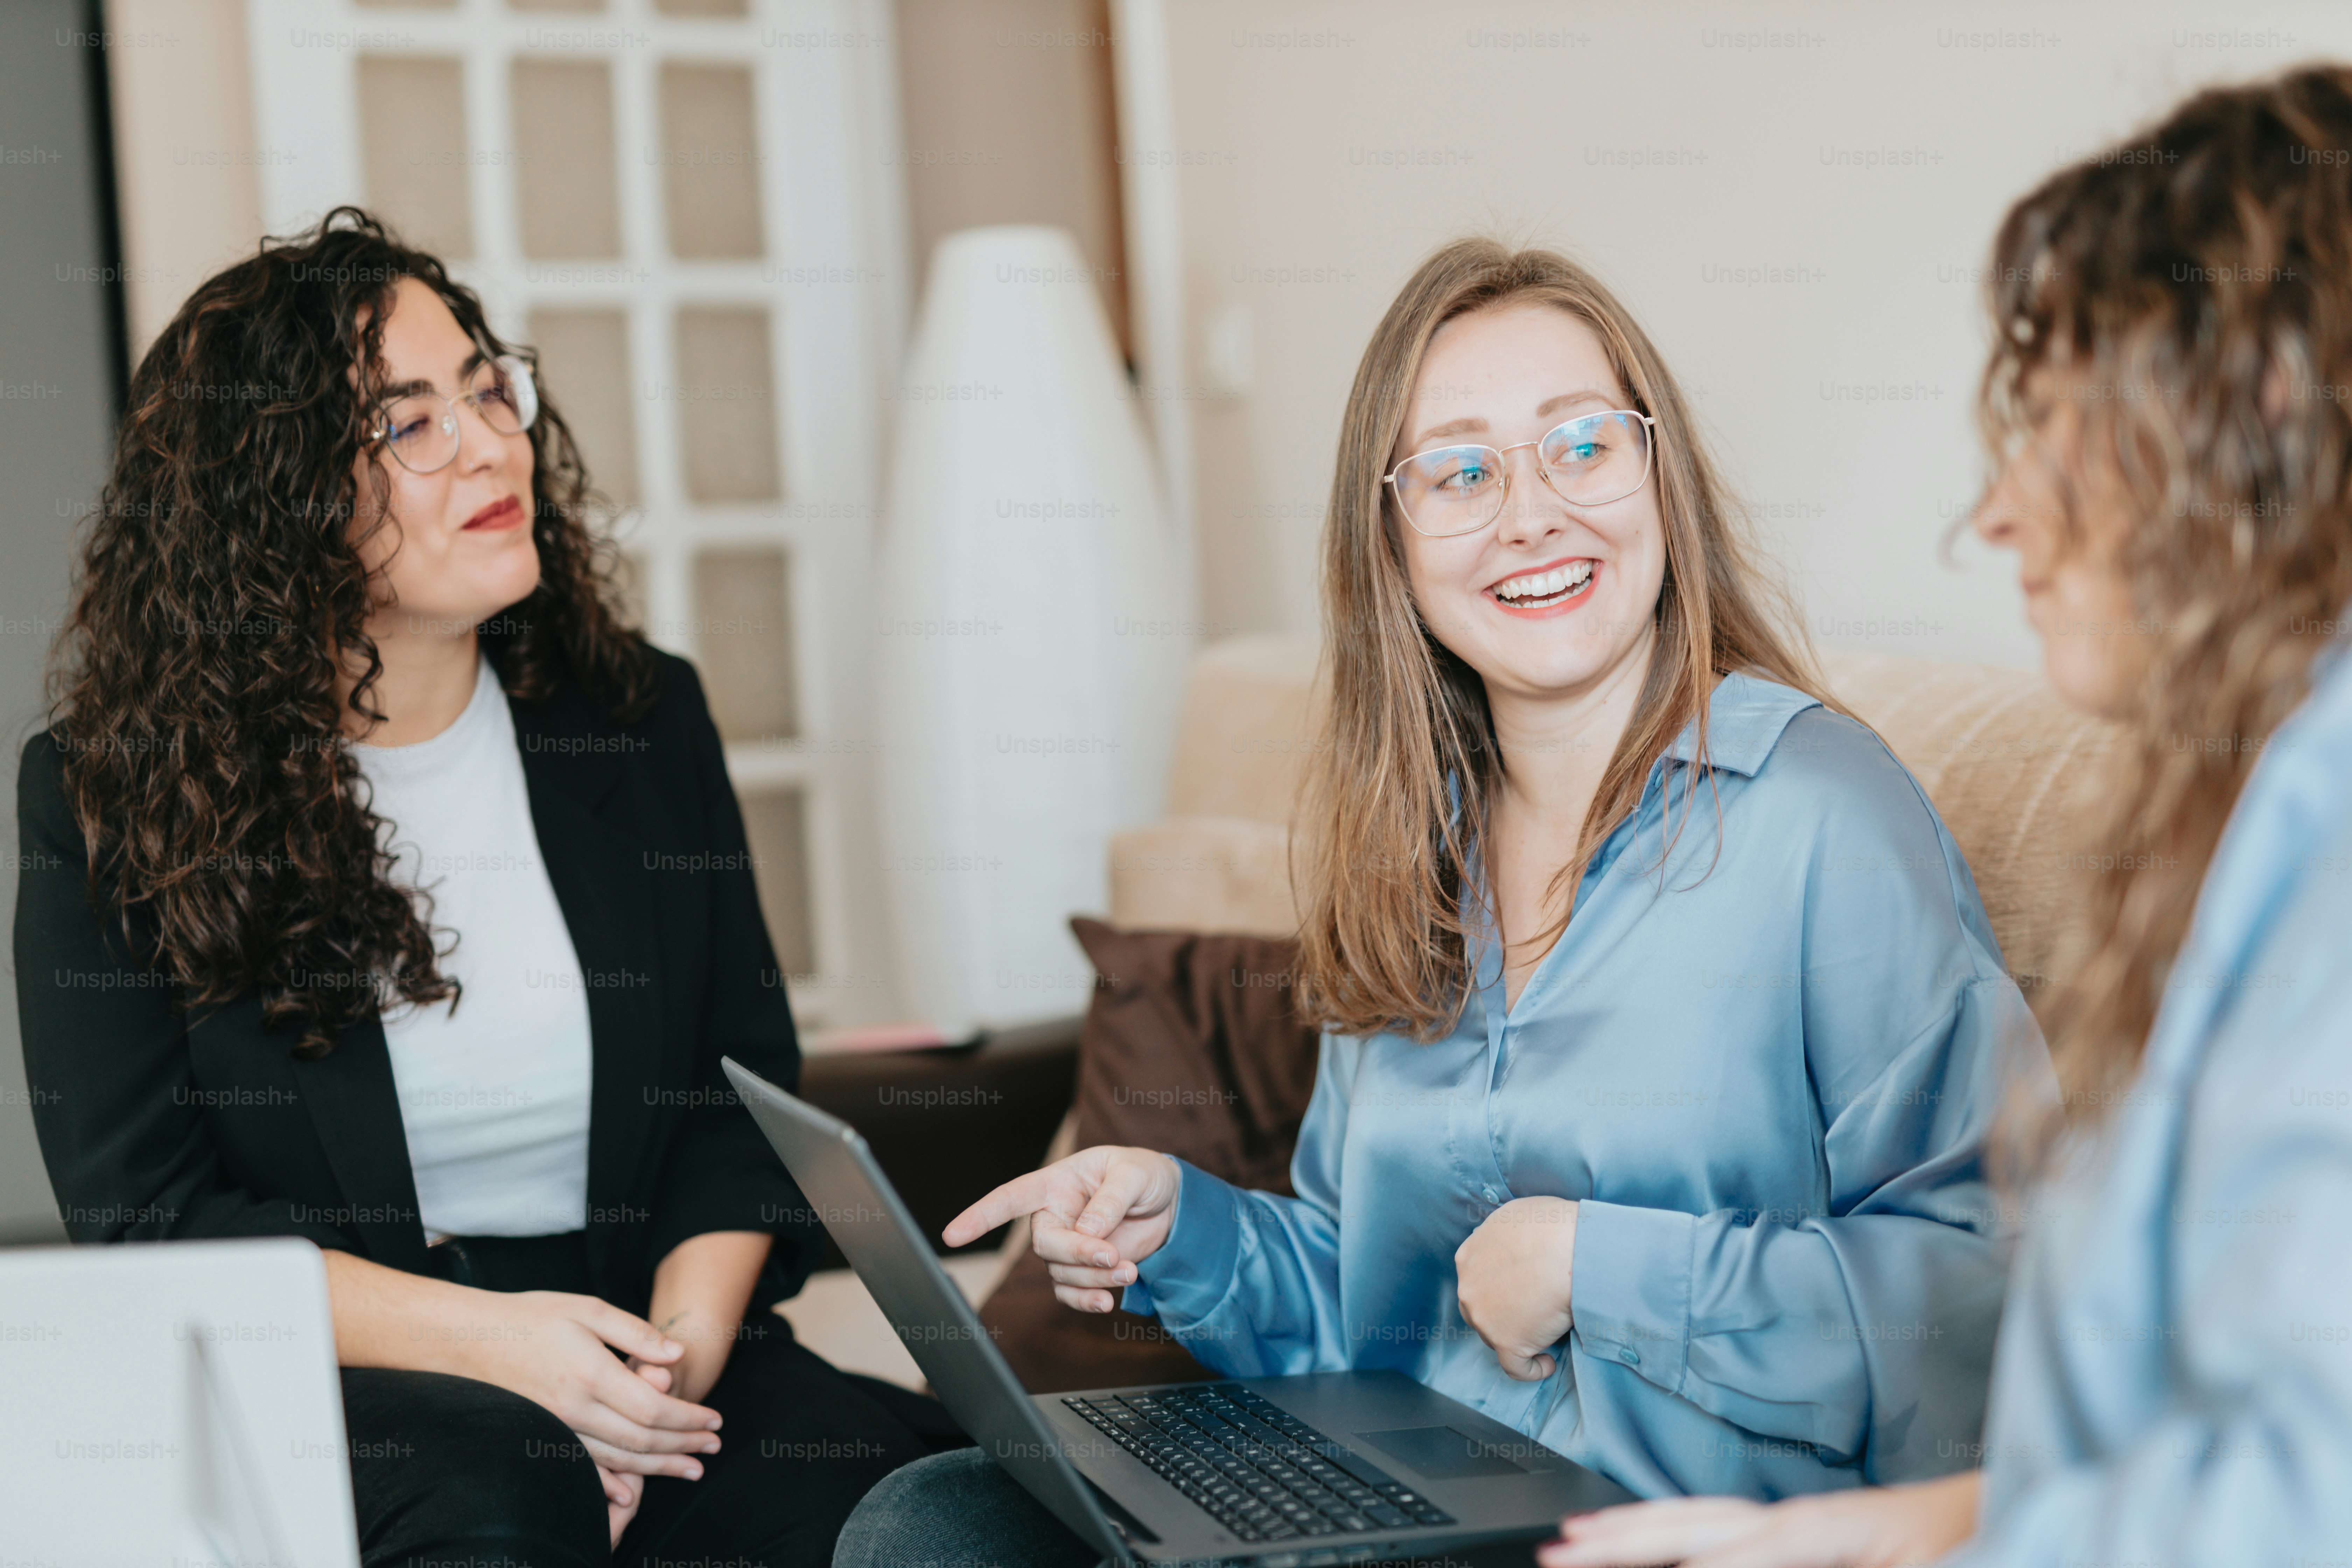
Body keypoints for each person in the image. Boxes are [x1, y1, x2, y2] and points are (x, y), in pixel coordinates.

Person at [830, 237, 2051, 1566]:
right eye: (1463, 474)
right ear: (1393, 547)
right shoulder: (1415, 847)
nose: (1532, 515)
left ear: (1661, 473)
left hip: (1669, 1538)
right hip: (1399, 1511)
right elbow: (1369, 1313)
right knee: (933, 1520)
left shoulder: (1821, 811)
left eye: (1582, 446)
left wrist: (1600, 1266)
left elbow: (1992, 1293)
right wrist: (1184, 1225)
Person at [14, 207, 962, 1568]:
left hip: (643, 1332)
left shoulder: (639, 721)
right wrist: (507, 1348)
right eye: (409, 424)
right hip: (358, 1371)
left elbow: (735, 1103)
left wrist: (660, 1376)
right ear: (273, 497)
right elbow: (154, 1220)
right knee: (509, 1497)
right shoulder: (110, 796)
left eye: (485, 387)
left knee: (928, 1503)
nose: (489, 443)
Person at [1544, 63, 2352, 1568]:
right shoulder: (2250, 815)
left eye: (2050, 427)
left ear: (2257, 418)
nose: (1995, 512)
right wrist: (1898, 1532)